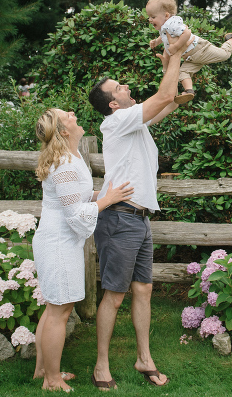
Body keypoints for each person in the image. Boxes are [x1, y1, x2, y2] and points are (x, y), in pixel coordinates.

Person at [85, 33, 186, 389]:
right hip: (119, 219)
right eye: (119, 87)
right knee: (114, 295)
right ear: (113, 105)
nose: (125, 85)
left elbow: (168, 102)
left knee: (142, 291)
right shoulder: (115, 122)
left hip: (139, 220)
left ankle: (144, 359)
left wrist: (177, 67)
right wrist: (173, 54)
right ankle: (101, 366)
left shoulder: (133, 122)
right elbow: (164, 96)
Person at [32, 108, 135, 392]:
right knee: (60, 311)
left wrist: (102, 195)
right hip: (58, 245)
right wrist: (107, 200)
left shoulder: (73, 157)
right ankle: (51, 380)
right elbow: (75, 214)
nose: (72, 112)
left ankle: (42, 369)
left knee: (54, 307)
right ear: (64, 131)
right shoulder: (64, 164)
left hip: (62, 242)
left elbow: (75, 197)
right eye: (66, 114)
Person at [146, 0, 232, 105]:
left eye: (153, 17)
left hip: (200, 49)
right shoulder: (164, 27)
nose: (150, 20)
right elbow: (163, 37)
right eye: (149, 17)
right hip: (190, 57)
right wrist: (156, 42)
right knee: (183, 72)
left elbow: (187, 33)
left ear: (166, 16)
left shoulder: (172, 23)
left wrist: (176, 47)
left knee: (225, 55)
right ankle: (189, 91)